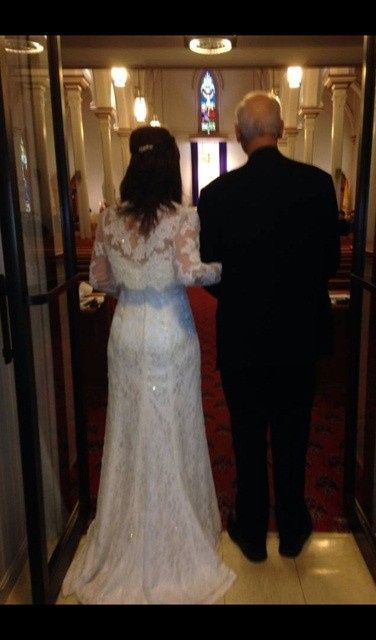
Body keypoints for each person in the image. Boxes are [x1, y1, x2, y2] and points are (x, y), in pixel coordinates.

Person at [61, 126, 235, 604]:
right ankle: (175, 529)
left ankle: (126, 530)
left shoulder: (109, 219)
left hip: (126, 332)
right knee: (173, 425)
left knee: (128, 427)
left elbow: (99, 279)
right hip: (170, 333)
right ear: (170, 166)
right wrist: (226, 267)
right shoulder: (183, 216)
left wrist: (132, 288)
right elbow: (190, 273)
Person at [198, 91, 340, 562]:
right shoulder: (318, 185)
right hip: (300, 335)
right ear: (280, 130)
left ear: (239, 134)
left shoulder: (216, 195)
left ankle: (253, 530)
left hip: (243, 336)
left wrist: (243, 298)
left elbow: (210, 271)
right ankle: (294, 529)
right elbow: (329, 262)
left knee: (246, 436)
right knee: (294, 433)